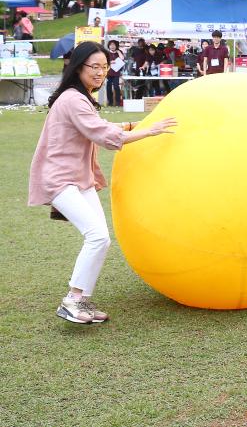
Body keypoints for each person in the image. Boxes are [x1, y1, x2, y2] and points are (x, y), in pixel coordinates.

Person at [28, 41, 177, 324]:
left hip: (78, 177)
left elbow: (100, 125)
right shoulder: (73, 98)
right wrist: (149, 131)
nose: (99, 73)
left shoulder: (80, 98)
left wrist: (135, 124)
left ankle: (80, 300)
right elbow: (102, 135)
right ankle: (72, 302)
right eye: (94, 67)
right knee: (97, 236)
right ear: (78, 68)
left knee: (101, 238)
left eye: (104, 67)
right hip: (60, 178)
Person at [105, 40, 124, 107]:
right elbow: (104, 61)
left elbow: (122, 58)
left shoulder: (119, 52)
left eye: (114, 45)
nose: (112, 46)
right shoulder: (107, 53)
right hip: (109, 73)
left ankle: (118, 102)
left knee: (116, 86)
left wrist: (118, 51)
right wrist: (110, 62)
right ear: (109, 46)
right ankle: (110, 102)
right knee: (108, 87)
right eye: (111, 45)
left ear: (116, 46)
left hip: (116, 73)